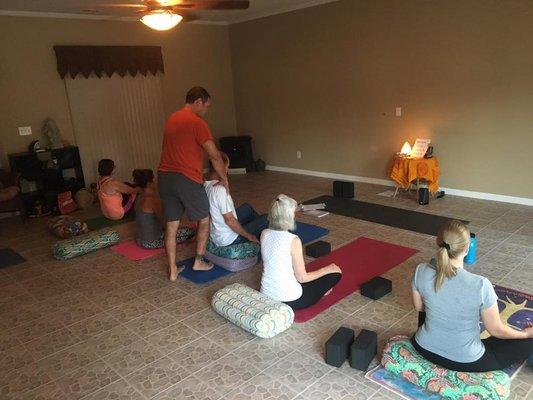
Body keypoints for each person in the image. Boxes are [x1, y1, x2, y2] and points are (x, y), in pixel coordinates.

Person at [411, 220, 533, 372]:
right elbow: (496, 330)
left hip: (423, 347)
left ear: (438, 242)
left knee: (430, 306)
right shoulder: (481, 285)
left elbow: (419, 307)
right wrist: (525, 333)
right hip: (465, 360)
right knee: (528, 341)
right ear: (467, 248)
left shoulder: (420, 270)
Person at [158, 86, 228, 280]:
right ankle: (199, 260)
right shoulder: (197, 122)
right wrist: (224, 179)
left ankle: (172, 269)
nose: (206, 110)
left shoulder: (172, 118)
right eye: (206, 106)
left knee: (172, 225)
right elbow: (214, 155)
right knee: (204, 220)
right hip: (186, 178)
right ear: (198, 101)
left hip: (164, 177)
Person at [260, 194, 342, 310]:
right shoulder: (293, 240)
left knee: (306, 277)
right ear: (289, 216)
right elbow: (302, 278)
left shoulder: (264, 233)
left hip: (266, 295)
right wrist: (328, 269)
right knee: (336, 273)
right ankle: (322, 291)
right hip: (290, 300)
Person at [204, 152, 267, 247]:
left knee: (247, 208)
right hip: (229, 239)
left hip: (217, 233)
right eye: (227, 167)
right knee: (267, 218)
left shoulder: (207, 185)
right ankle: (260, 237)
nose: (227, 170)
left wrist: (226, 184)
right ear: (220, 168)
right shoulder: (219, 190)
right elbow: (229, 220)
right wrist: (249, 236)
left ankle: (257, 230)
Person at [132, 169, 194, 249]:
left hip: (140, 239)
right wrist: (188, 225)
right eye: (154, 179)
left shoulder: (140, 196)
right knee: (193, 229)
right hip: (151, 242)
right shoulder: (152, 199)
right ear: (149, 183)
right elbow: (166, 224)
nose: (157, 181)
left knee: (185, 223)